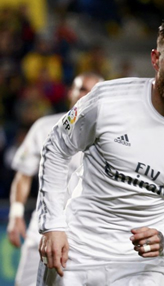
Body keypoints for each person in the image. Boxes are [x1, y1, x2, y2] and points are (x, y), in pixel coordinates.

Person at [37, 12, 164, 286]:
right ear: (155, 59)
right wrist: (53, 224)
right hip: (77, 251)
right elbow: (56, 148)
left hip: (144, 267)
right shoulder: (106, 101)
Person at [7, 72, 103, 286]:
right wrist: (16, 214)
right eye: (81, 89)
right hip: (42, 230)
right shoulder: (44, 126)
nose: (86, 95)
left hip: (86, 236)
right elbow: (23, 174)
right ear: (71, 92)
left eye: (93, 90)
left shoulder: (111, 136)